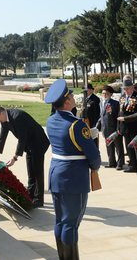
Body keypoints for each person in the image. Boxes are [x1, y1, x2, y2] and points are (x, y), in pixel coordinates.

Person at [45, 79, 100, 260]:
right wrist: (95, 167)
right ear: (67, 102)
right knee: (71, 224)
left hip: (56, 175)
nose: (73, 98)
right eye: (71, 96)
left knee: (60, 220)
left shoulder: (51, 120)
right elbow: (93, 155)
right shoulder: (77, 125)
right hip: (73, 178)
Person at [0, 105, 50, 208]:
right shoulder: (4, 120)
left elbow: (22, 139)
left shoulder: (18, 117)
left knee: (37, 171)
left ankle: (39, 199)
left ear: (2, 113)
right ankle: (30, 194)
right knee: (30, 170)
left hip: (38, 142)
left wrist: (15, 158)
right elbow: (2, 137)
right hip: (29, 144)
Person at [118, 79, 137, 175]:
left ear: (132, 88)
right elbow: (120, 113)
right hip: (125, 128)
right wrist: (119, 127)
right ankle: (132, 166)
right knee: (129, 148)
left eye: (127, 88)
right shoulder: (122, 97)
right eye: (124, 89)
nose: (126, 91)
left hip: (136, 128)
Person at [95, 85, 123, 169]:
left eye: (106, 93)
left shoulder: (115, 103)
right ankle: (112, 162)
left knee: (118, 147)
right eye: (103, 93)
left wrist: (118, 128)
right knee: (109, 147)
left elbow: (118, 117)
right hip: (105, 129)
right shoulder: (101, 103)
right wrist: (97, 126)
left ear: (110, 94)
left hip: (114, 129)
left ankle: (120, 164)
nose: (104, 95)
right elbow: (101, 116)